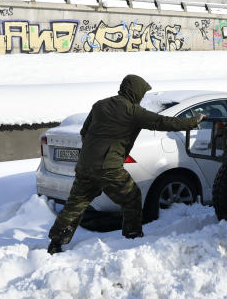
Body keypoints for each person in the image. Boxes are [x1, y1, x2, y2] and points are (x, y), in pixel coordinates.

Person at [47, 74, 205, 254]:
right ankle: (132, 236)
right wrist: (193, 121)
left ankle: (56, 243)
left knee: (76, 204)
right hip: (109, 167)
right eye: (142, 93)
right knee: (132, 197)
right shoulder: (132, 111)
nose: (142, 97)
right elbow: (163, 122)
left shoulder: (100, 105)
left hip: (85, 164)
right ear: (135, 91)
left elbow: (85, 132)